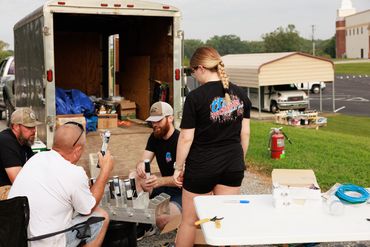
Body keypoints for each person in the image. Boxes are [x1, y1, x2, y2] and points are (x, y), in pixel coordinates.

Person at [173, 46, 251, 247]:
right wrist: (238, 160)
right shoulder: (241, 94)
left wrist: (178, 167)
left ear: (200, 68)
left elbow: (185, 139)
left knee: (190, 223)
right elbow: (245, 133)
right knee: (227, 221)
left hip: (202, 166)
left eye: (192, 71)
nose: (193, 75)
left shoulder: (195, 97)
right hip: (232, 165)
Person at [9, 122, 114, 247]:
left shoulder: (35, 159)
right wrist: (105, 171)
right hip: (46, 242)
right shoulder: (74, 173)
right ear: (78, 150)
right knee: (101, 216)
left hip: (16, 239)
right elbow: (87, 208)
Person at [134, 101, 182, 239]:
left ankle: (187, 218)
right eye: (152, 121)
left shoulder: (180, 141)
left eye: (158, 121)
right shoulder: (155, 136)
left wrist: (159, 181)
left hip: (181, 192)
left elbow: (181, 180)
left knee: (161, 220)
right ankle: (145, 226)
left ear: (170, 118)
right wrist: (140, 166)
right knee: (136, 177)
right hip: (164, 187)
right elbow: (143, 160)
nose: (154, 125)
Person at [0, 107, 42, 200]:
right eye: (29, 127)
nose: (34, 130)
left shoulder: (24, 141)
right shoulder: (6, 141)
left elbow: (35, 167)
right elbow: (18, 181)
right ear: (15, 127)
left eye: (34, 126)